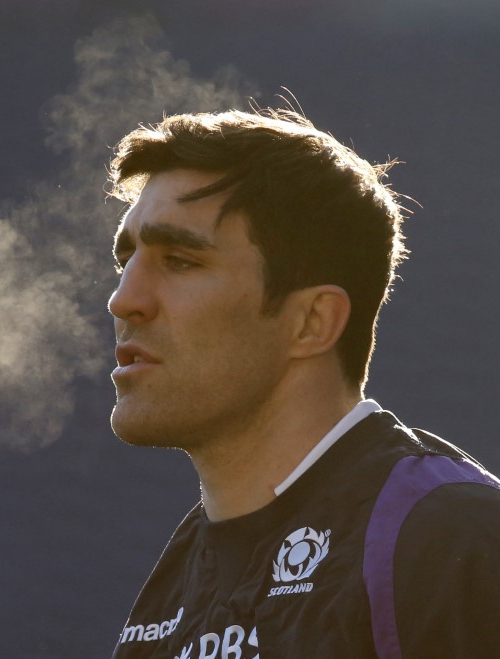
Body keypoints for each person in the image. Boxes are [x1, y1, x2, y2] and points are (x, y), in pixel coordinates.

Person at [106, 108, 500, 659]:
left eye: (179, 260)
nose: (124, 300)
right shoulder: (169, 588)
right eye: (125, 260)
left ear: (312, 322)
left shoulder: (450, 539)